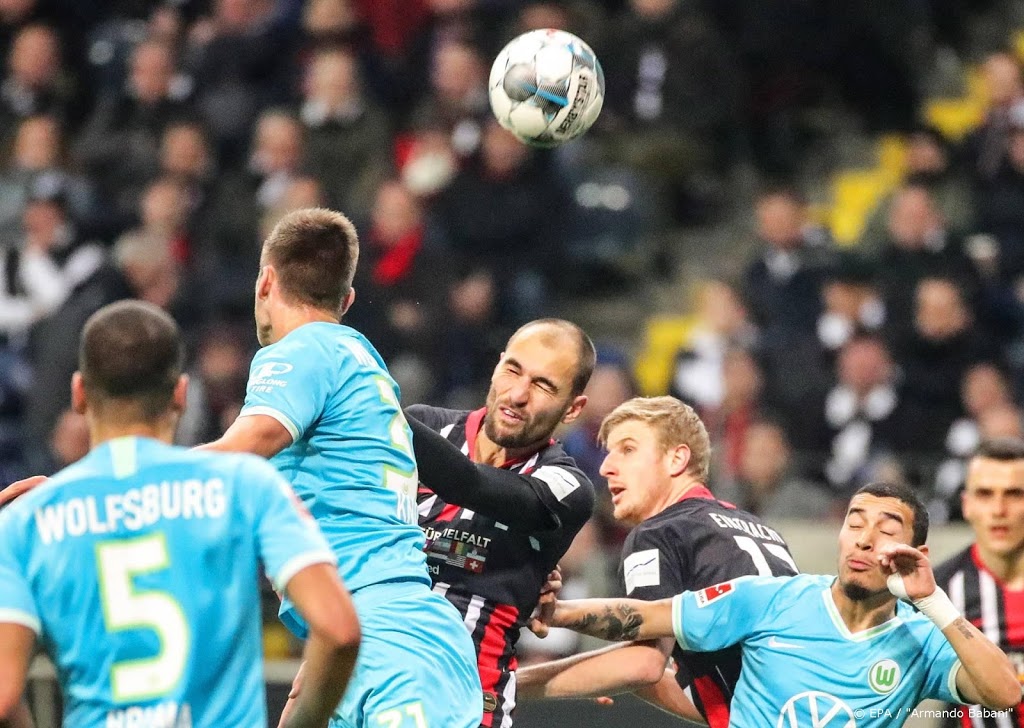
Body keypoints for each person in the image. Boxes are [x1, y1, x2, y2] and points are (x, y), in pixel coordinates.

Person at [0, 300, 361, 728]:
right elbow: (339, 630)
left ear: (79, 393)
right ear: (181, 394)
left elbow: (3, 698)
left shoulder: (28, 519)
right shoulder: (247, 485)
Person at [200, 208, 482, 728]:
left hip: (386, 637)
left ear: (265, 281)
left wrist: (100, 484)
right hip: (359, 639)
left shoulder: (303, 349)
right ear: (347, 300)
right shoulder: (361, 360)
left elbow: (248, 444)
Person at [538, 481, 1021, 726]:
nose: (866, 539)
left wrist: (932, 600)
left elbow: (1005, 694)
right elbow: (644, 615)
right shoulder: (769, 599)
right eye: (854, 523)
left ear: (916, 551)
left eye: (887, 530)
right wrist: (555, 612)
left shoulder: (920, 640)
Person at [517, 396, 799, 726]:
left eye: (628, 449)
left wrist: (513, 682)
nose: (606, 467)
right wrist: (604, 676)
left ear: (676, 458)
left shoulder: (660, 532)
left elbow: (643, 664)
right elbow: (726, 704)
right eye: (609, 452)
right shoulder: (759, 529)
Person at [403, 318, 597, 728]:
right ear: (496, 366)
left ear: (573, 408)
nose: (518, 394)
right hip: (366, 679)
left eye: (544, 386)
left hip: (463, 704)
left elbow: (467, 483)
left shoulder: (566, 485)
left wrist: (367, 395)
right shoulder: (426, 425)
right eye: (512, 369)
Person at [935, 437, 1024, 726]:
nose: (999, 510)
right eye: (985, 494)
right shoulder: (937, 592)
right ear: (967, 505)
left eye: (1014, 494)